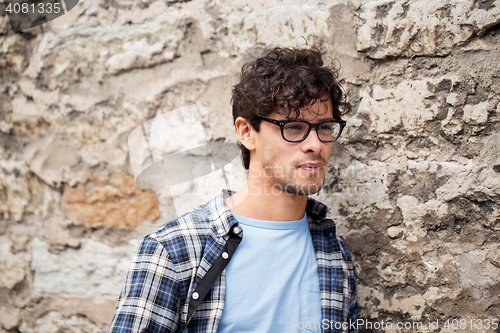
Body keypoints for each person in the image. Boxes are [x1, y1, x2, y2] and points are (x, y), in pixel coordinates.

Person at [108, 47, 358, 333]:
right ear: (246, 132)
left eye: (324, 127)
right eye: (294, 126)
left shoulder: (333, 253)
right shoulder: (173, 251)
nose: (315, 144)